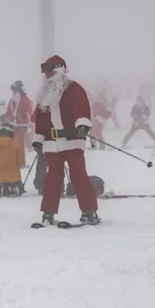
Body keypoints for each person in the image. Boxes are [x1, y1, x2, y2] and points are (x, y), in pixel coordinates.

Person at [32, 55, 99, 226]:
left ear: (59, 70)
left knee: (78, 175)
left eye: (50, 72)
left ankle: (89, 211)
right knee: (52, 178)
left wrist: (82, 124)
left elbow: (82, 108)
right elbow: (40, 119)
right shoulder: (44, 94)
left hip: (72, 140)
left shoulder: (73, 89)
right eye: (45, 73)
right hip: (51, 143)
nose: (47, 76)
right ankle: (48, 213)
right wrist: (39, 138)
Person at [0, 124, 25, 196]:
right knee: (14, 177)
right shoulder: (15, 146)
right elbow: (21, 161)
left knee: (0, 177)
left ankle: (1, 185)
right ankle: (13, 186)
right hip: (14, 176)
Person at [5, 80, 34, 152]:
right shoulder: (11, 101)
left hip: (22, 125)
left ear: (19, 89)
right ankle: (16, 160)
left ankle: (20, 161)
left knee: (18, 143)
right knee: (14, 143)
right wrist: (8, 118)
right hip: (13, 125)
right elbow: (8, 112)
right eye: (13, 90)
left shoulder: (25, 99)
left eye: (15, 89)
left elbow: (29, 110)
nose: (13, 91)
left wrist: (25, 116)